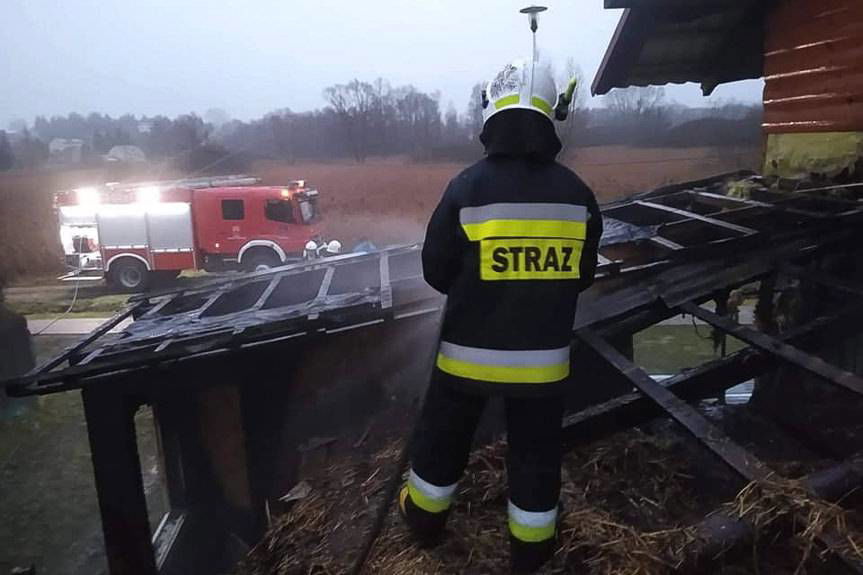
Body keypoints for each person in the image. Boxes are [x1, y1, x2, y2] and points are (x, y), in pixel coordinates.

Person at [398, 59, 603, 573]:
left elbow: (435, 269)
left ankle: (424, 523)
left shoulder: (467, 187)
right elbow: (582, 275)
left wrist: (482, 288)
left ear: (491, 112)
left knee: (442, 441)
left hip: (465, 361)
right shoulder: (577, 195)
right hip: (544, 367)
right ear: (548, 117)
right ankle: (531, 551)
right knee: (536, 455)